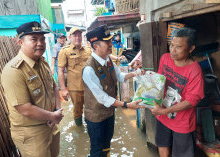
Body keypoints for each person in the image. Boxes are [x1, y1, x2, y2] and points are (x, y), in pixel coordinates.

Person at [1, 21, 64, 157]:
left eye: (42, 39)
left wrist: (56, 110)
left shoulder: (42, 62)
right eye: (34, 39)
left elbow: (53, 86)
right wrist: (52, 116)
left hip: (50, 124)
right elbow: (24, 108)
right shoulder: (14, 70)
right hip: (31, 134)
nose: (40, 43)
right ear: (20, 42)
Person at [83, 25, 144, 157]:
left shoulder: (108, 59)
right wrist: (127, 105)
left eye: (110, 41)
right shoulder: (89, 69)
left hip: (109, 112)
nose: (111, 44)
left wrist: (135, 73)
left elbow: (120, 77)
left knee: (106, 145)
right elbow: (102, 98)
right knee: (97, 149)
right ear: (95, 46)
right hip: (96, 116)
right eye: (107, 42)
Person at [150, 27, 204, 157]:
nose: (173, 50)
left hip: (182, 122)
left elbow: (191, 101)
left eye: (178, 47)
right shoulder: (165, 58)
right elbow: (159, 81)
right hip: (162, 117)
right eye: (171, 45)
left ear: (191, 49)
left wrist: (164, 111)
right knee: (162, 145)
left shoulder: (195, 71)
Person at [58, 27, 91, 126]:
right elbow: (60, 70)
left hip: (89, 87)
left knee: (91, 109)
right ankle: (80, 130)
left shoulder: (88, 50)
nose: (77, 37)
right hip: (75, 88)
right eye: (74, 35)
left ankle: (91, 130)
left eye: (79, 35)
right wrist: (63, 89)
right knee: (77, 111)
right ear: (70, 37)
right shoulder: (64, 51)